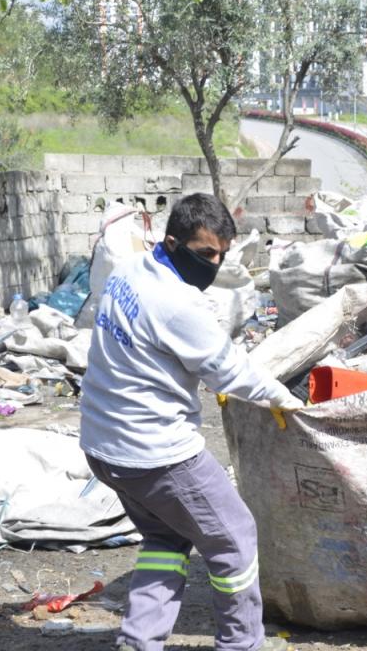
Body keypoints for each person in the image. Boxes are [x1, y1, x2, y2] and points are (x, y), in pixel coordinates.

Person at [80, 193, 303, 651]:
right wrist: (283, 399)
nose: (215, 263)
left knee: (167, 537)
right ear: (173, 241)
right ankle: (242, 644)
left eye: (221, 254)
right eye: (205, 254)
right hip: (156, 453)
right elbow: (231, 371)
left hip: (104, 444)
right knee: (235, 539)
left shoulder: (128, 271)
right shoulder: (177, 303)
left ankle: (138, 642)